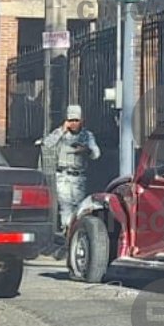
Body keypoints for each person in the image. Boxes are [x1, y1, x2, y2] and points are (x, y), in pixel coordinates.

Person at [38, 104, 100, 255]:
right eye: (70, 120)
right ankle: (67, 242)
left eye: (76, 120)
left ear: (82, 121)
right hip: (63, 177)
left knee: (79, 211)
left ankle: (73, 241)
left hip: (79, 178)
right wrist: (61, 130)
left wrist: (86, 150)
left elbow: (96, 153)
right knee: (65, 211)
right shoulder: (60, 134)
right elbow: (47, 144)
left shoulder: (87, 135)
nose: (73, 123)